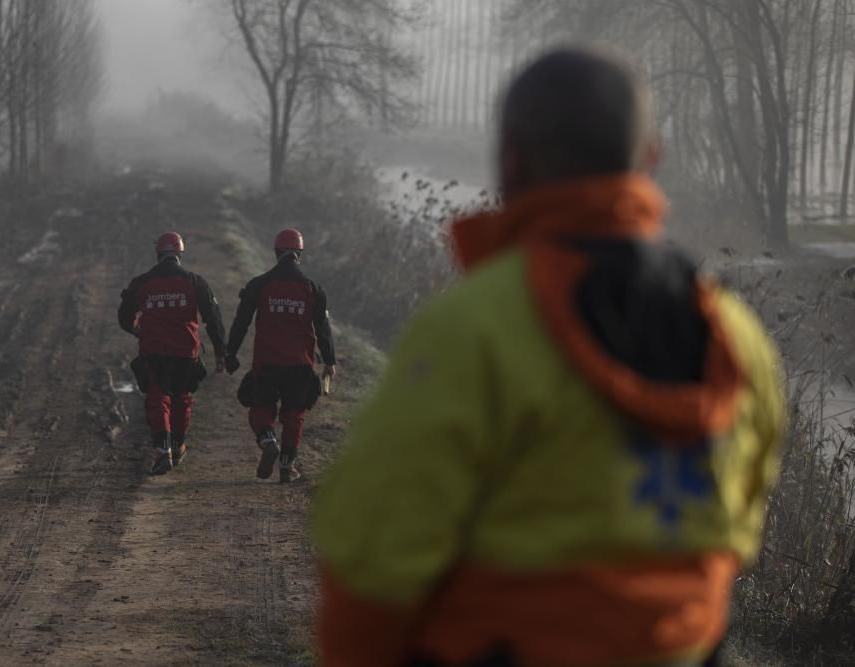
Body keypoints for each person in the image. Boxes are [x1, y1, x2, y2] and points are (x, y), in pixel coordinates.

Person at [312, 48, 785, 667]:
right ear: (649, 158)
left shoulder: (474, 327)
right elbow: (737, 532)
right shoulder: (735, 335)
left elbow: (371, 565)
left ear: (510, 159)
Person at [224, 229, 337, 483]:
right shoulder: (313, 289)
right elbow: (323, 329)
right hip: (299, 365)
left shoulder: (259, 285)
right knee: (294, 414)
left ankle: (267, 440)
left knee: (261, 407)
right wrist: (329, 361)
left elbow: (241, 322)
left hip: (266, 363)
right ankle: (286, 467)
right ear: (300, 253)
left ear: (276, 253)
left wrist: (230, 352)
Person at [118, 232, 227, 475]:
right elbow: (213, 319)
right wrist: (220, 352)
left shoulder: (142, 282)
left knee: (158, 398)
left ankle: (161, 449)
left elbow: (124, 316)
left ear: (158, 254)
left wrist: (135, 329)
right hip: (186, 351)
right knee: (182, 398)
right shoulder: (195, 282)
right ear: (180, 253)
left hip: (154, 350)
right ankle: (177, 445)